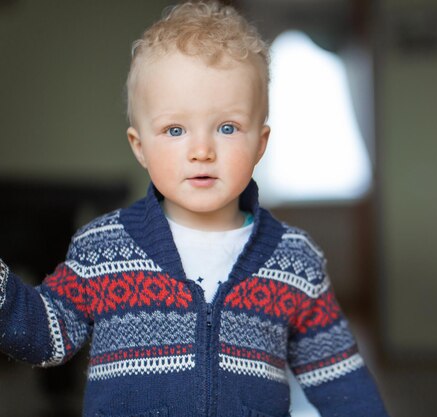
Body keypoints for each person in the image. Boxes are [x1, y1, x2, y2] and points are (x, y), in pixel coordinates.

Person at [0, 2, 389, 416]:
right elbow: (45, 335)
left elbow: (343, 384)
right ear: (140, 147)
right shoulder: (103, 249)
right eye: (175, 130)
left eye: (227, 128)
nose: (201, 150)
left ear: (260, 143)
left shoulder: (293, 261)